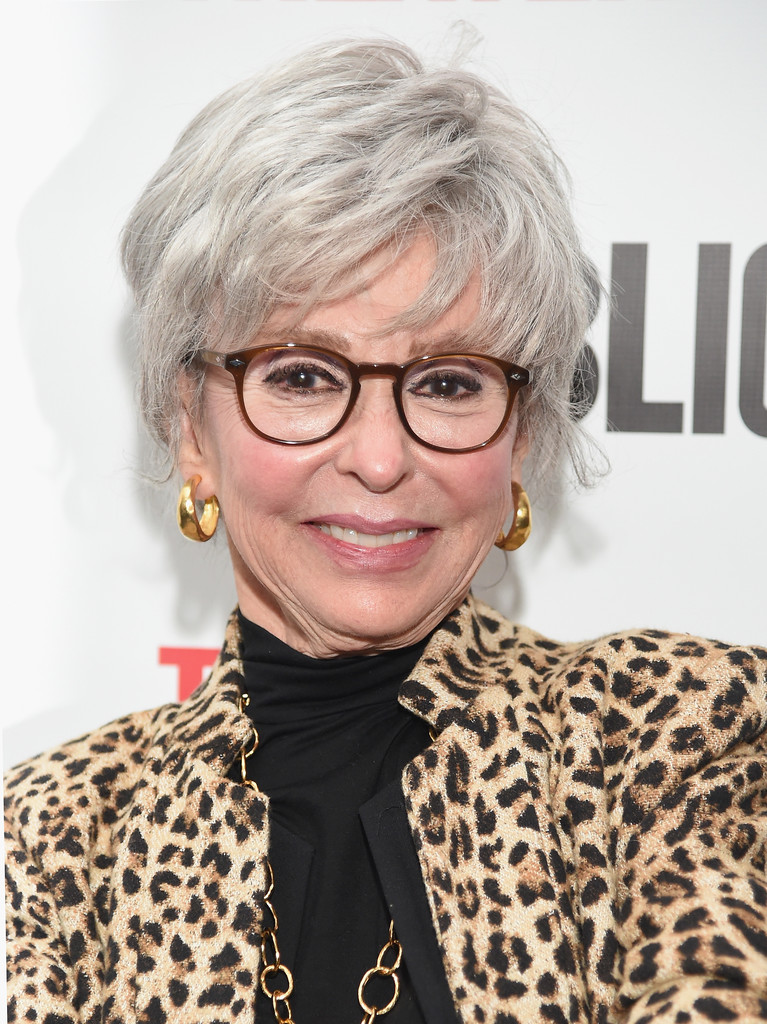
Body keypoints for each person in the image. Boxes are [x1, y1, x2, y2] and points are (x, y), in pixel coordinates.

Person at [5, 36, 767, 1024]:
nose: (377, 458)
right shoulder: (50, 836)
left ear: (522, 436)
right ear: (191, 430)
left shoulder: (677, 739)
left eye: (447, 382)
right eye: (301, 375)